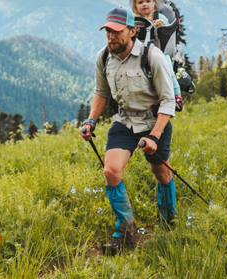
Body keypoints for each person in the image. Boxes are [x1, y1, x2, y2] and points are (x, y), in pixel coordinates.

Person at [79, 6, 177, 256]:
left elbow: (167, 100)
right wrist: (91, 120)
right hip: (124, 121)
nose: (111, 37)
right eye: (107, 31)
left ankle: (168, 220)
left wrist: (154, 136)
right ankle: (126, 232)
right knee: (111, 171)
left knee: (161, 172)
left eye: (117, 31)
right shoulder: (103, 57)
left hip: (154, 121)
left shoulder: (151, 57)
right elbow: (101, 92)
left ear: (133, 31)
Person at [130, 0, 183, 110]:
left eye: (148, 1)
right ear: (135, 6)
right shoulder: (133, 20)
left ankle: (177, 95)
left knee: (167, 67)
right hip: (140, 52)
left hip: (161, 51)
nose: (144, 4)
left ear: (154, 3)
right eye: (140, 2)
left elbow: (167, 26)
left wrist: (158, 24)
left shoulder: (160, 17)